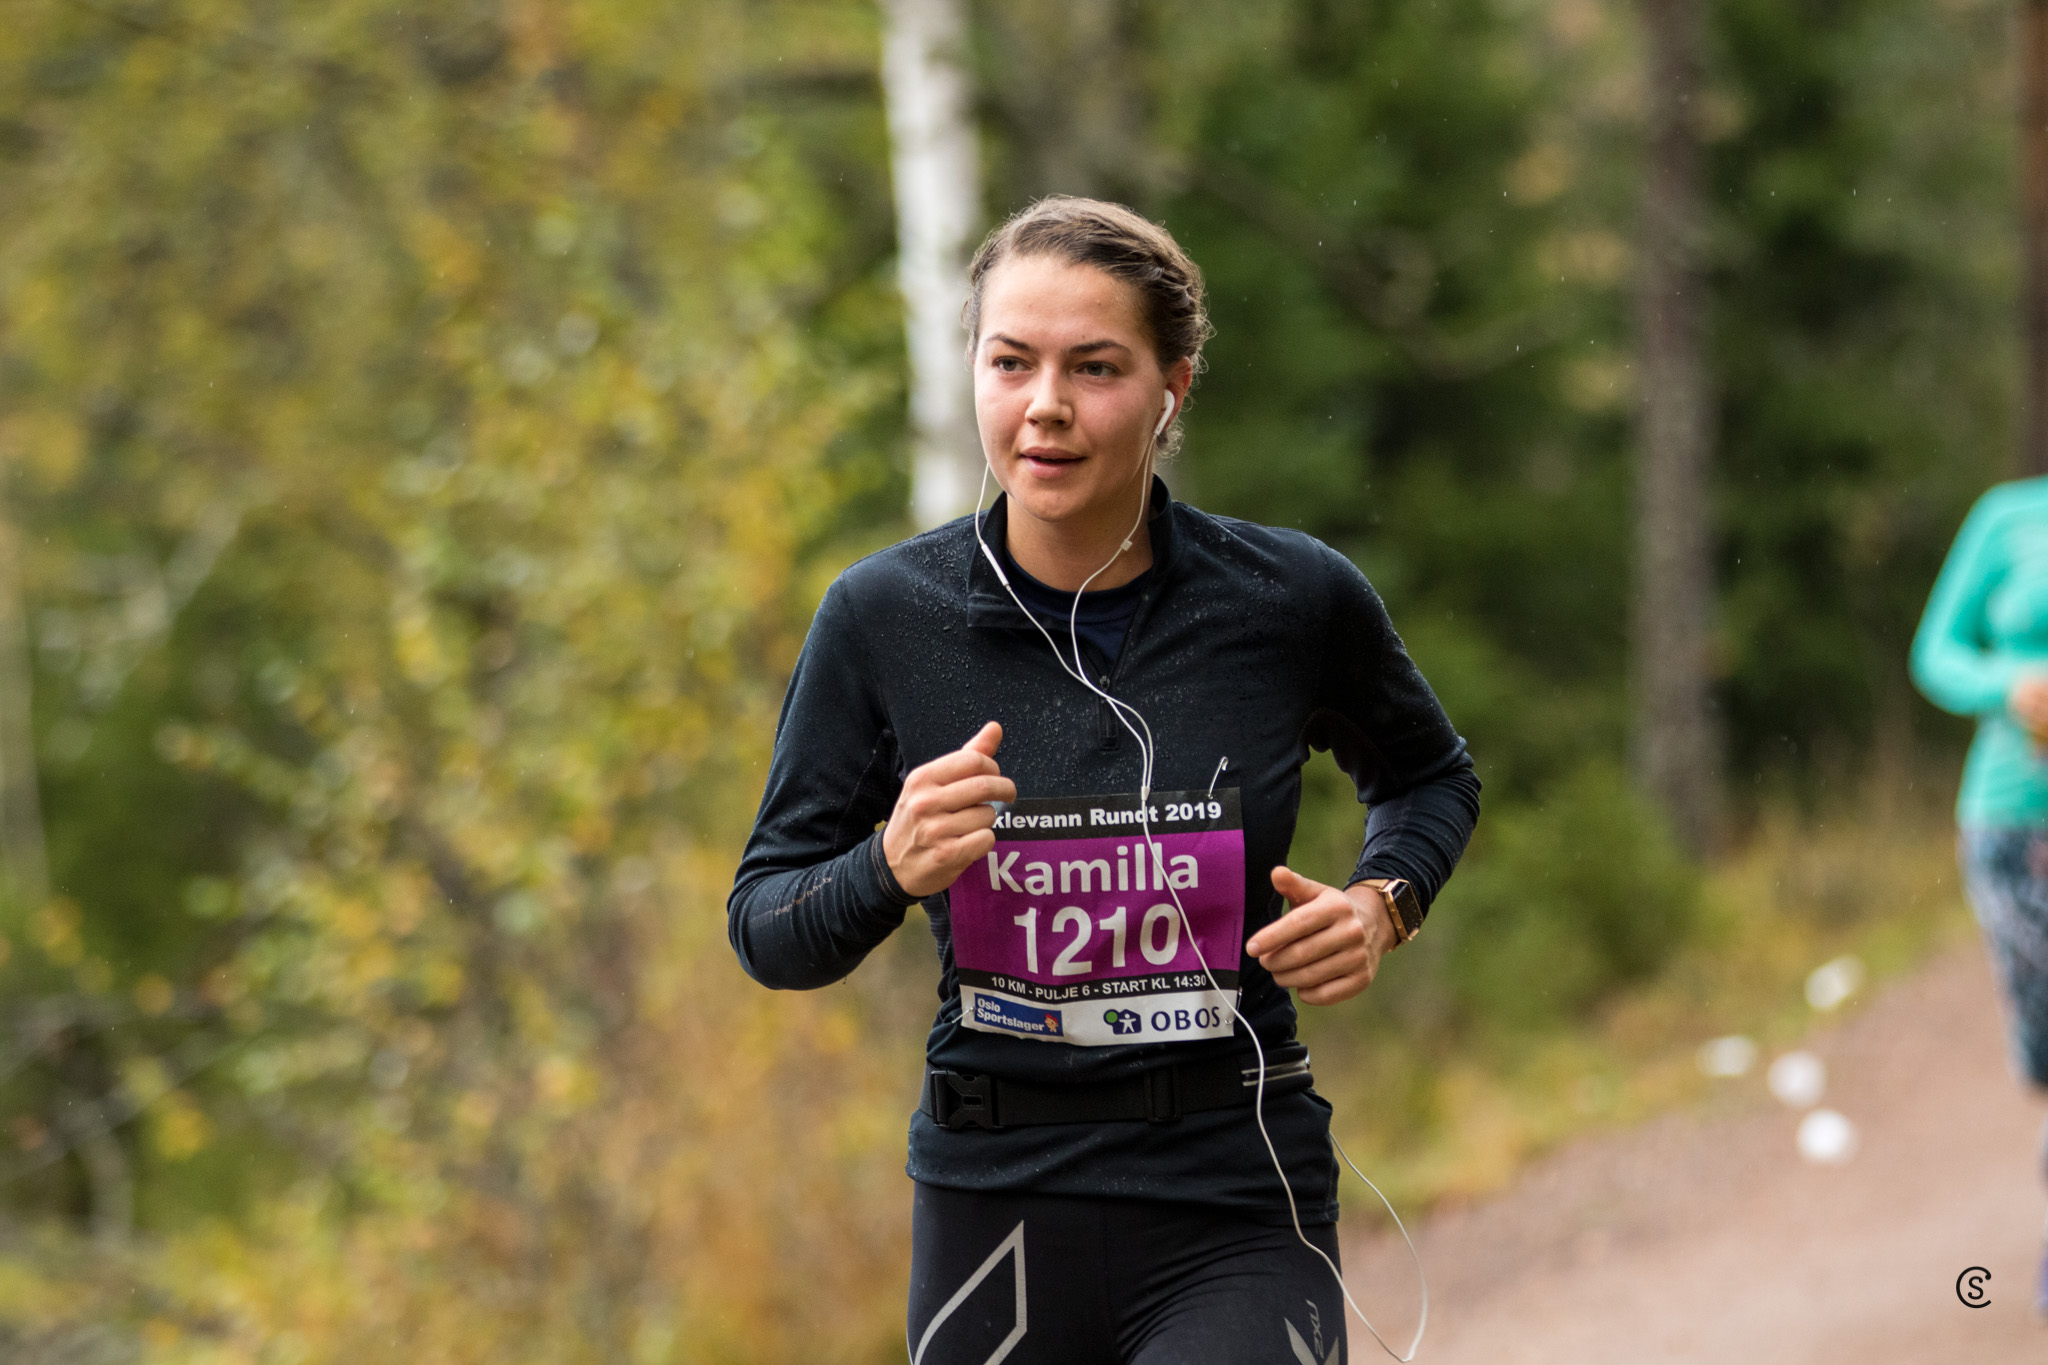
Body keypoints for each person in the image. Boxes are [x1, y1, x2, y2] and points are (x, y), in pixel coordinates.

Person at [729, 196, 1480, 1364]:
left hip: (1233, 1191)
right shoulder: (884, 619)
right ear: (972, 374)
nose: (1046, 405)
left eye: (1094, 367)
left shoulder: (1286, 598)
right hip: (993, 1207)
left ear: (1171, 388)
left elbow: (1430, 776)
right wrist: (885, 867)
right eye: (1010, 362)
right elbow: (766, 929)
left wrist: (1382, 903)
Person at [1913, 477, 2048, 1317]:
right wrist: (2010, 684)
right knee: (2043, 1049)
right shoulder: (2010, 517)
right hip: (2014, 827)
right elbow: (1936, 651)